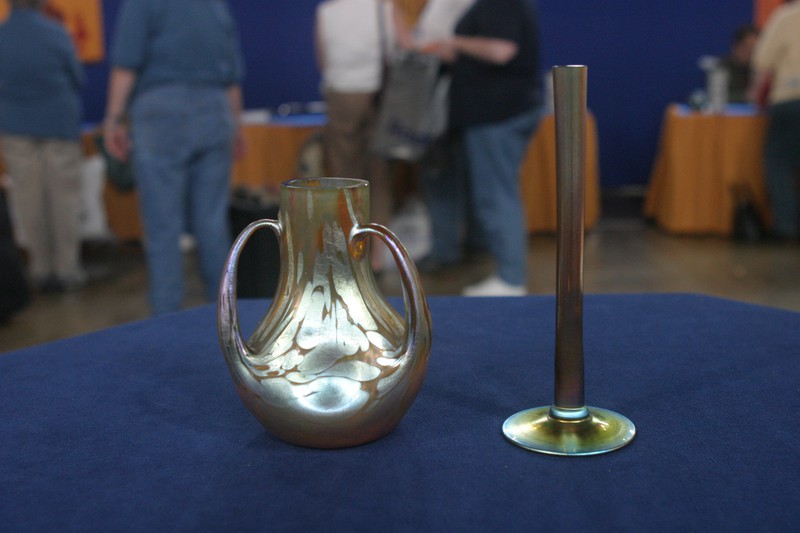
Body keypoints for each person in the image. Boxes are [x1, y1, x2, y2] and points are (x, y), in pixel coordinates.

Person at [103, 0, 245, 315]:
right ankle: (225, 317)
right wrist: (237, 128)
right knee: (212, 222)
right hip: (215, 112)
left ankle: (166, 320)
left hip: (160, 115)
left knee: (162, 226)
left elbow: (127, 63)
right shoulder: (215, 6)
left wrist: (113, 119)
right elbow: (232, 77)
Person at [426, 0, 543, 296]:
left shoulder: (500, 4)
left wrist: (455, 42)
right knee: (493, 193)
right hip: (495, 113)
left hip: (497, 114)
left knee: (496, 195)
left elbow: (502, 50)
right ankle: (508, 274)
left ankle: (511, 278)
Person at [0, 0, 86, 293]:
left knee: (28, 200)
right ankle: (68, 270)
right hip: (58, 125)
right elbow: (77, 77)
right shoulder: (56, 33)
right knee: (64, 200)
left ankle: (41, 270)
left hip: (14, 129)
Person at [314, 0, 397, 233]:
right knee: (380, 175)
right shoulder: (384, 7)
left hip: (342, 96)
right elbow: (394, 52)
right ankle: (379, 252)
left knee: (345, 177)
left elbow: (323, 59)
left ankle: (350, 247)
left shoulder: (327, 12)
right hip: (378, 95)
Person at [752, 0, 800, 240]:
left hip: (791, 98)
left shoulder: (785, 16)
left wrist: (756, 97)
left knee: (777, 162)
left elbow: (763, 61)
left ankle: (786, 226)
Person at [719, 24, 759, 104]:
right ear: (736, 46)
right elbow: (717, 96)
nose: (751, 53)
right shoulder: (722, 67)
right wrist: (745, 96)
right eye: (748, 48)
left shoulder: (760, 69)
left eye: (756, 48)